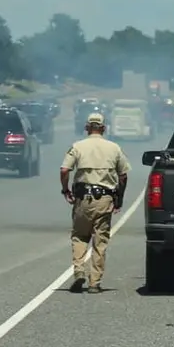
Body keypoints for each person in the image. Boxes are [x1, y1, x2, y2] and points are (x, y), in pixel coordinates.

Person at [60, 112, 130, 294]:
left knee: (80, 236)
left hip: (83, 199)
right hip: (104, 200)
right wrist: (119, 199)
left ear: (86, 128)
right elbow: (123, 175)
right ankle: (94, 282)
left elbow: (64, 169)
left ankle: (79, 272)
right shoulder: (114, 148)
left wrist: (66, 190)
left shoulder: (77, 146)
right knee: (100, 241)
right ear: (104, 128)